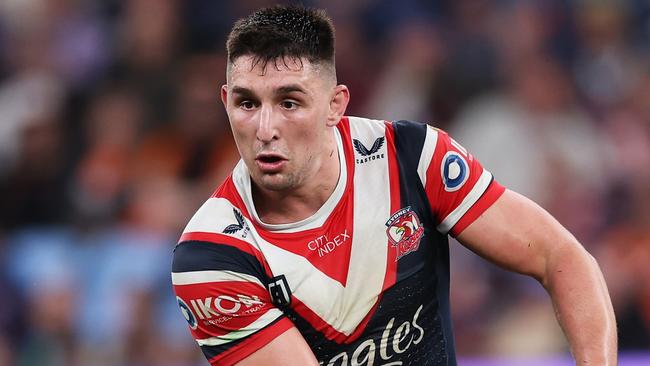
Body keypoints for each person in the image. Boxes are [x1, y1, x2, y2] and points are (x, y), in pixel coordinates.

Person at [171, 5, 617, 365]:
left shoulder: (411, 156)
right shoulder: (211, 255)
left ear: (335, 105)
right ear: (226, 103)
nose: (265, 127)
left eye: (290, 101)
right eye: (248, 103)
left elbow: (561, 256)